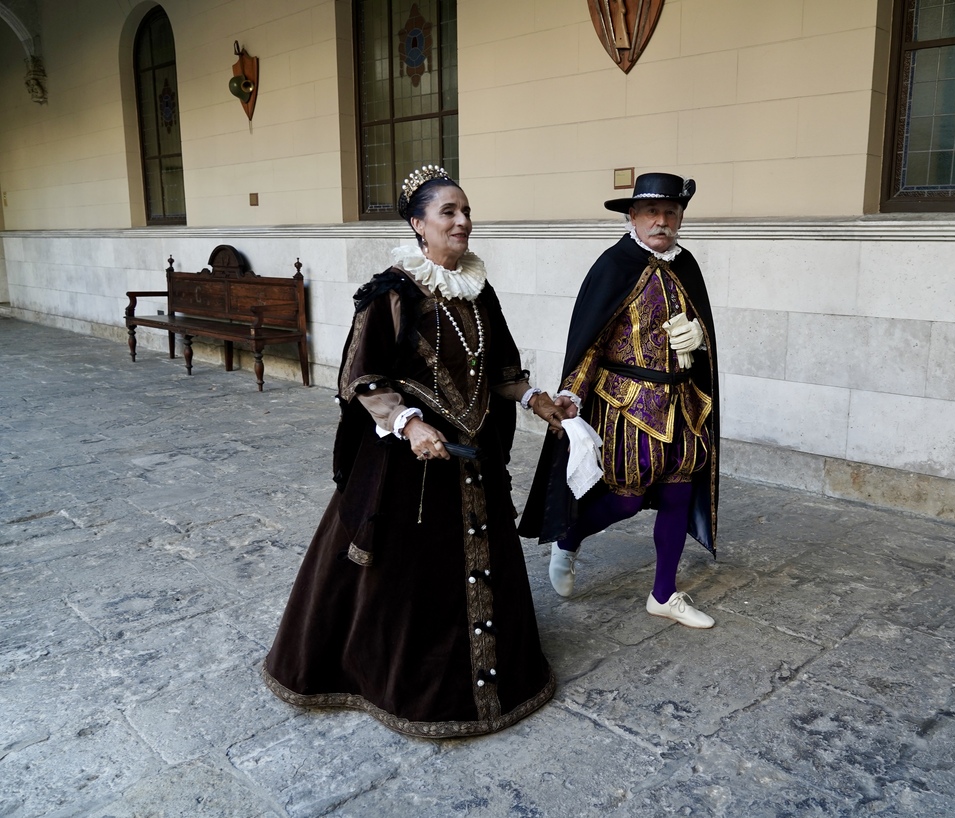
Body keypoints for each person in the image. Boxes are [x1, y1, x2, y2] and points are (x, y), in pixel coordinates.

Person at [263, 165, 572, 738]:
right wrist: (406, 425)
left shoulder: (478, 289)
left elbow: (499, 368)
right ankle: (393, 677)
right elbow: (358, 377)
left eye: (466, 211)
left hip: (473, 458)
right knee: (405, 580)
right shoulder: (393, 290)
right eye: (448, 212)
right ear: (418, 224)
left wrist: (534, 398)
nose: (462, 221)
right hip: (413, 466)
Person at [519, 172, 720, 629]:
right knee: (627, 499)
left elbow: (700, 328)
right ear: (633, 216)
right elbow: (589, 340)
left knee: (678, 492)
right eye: (652, 212)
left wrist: (702, 338)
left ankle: (664, 594)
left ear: (681, 218)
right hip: (628, 403)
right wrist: (572, 393)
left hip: (683, 404)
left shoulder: (686, 266)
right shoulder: (613, 265)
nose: (661, 221)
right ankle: (569, 538)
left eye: (671, 212)